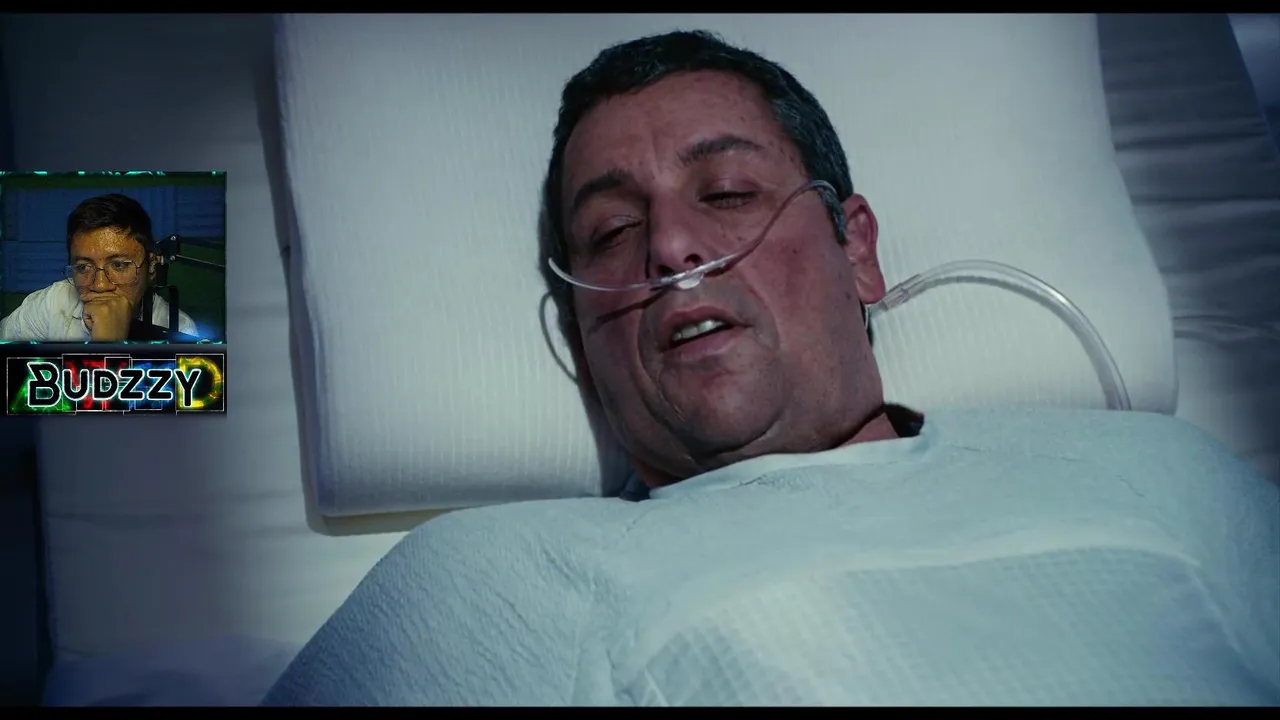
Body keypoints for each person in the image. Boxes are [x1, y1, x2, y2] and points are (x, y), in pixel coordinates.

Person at [263, 30, 1279, 706]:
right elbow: (154, 315)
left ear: (857, 249)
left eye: (727, 193)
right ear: (580, 336)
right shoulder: (497, 582)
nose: (669, 247)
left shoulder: (1151, 473)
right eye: (611, 230)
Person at [0, 193, 198, 342]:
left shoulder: (181, 330)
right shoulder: (51, 305)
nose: (100, 285)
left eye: (119, 265)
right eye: (83, 267)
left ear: (152, 267)